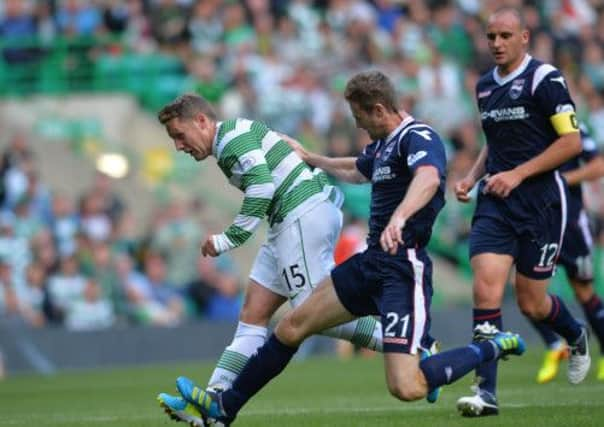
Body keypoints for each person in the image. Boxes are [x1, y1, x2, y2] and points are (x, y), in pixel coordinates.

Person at [162, 70, 526, 427]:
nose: (359, 127)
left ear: (380, 111)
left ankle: (487, 347)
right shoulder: (383, 145)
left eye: (361, 118)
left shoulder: (420, 137)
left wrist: (400, 217)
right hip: (369, 262)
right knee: (291, 326)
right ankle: (222, 406)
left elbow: (429, 179)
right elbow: (357, 169)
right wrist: (313, 157)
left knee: (406, 386)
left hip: (402, 268)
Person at [155, 93, 387, 425]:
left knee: (310, 313)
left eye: (180, 135)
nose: (179, 145)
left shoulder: (231, 137)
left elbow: (262, 187)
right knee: (253, 314)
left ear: (202, 121)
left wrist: (227, 239)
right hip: (287, 220)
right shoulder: (230, 141)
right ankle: (213, 400)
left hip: (300, 214)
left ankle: (408, 342)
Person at [453, 7, 590, 417]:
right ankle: (486, 392)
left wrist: (518, 174)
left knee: (532, 303)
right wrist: (472, 176)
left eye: (505, 36)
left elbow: (571, 144)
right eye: (491, 36)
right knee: (486, 288)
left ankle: (574, 333)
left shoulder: (545, 79)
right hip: (496, 203)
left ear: (524, 38)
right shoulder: (482, 86)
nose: (496, 43)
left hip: (542, 203)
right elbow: (493, 141)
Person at [530, 126, 604, 383]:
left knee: (584, 292)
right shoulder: (526, 120)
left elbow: (598, 166)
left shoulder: (572, 126)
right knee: (526, 291)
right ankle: (554, 344)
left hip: (570, 223)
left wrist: (564, 180)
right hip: (537, 222)